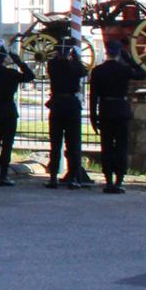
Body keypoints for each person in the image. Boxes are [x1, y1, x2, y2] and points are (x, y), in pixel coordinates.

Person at [91, 40, 146, 194]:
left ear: (106, 52)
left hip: (106, 110)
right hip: (121, 110)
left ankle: (108, 181)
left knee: (106, 147)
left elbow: (93, 97)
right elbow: (143, 74)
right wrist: (130, 60)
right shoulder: (124, 69)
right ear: (119, 53)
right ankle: (119, 181)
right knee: (122, 146)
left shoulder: (98, 71)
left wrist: (93, 116)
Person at [0, 46, 36, 186]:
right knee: (7, 144)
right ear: (4, 59)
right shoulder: (12, 73)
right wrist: (19, 62)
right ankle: (3, 175)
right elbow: (30, 76)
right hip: (9, 111)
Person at [46, 41, 91, 189]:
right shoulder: (75, 65)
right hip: (72, 105)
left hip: (57, 104)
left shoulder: (52, 65)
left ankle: (53, 177)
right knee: (73, 143)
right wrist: (76, 59)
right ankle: (73, 177)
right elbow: (84, 71)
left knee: (55, 143)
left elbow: (52, 63)